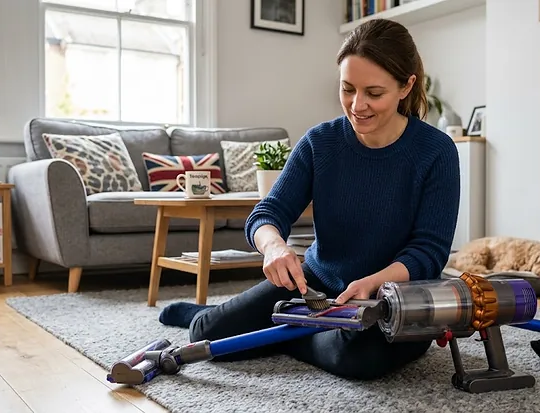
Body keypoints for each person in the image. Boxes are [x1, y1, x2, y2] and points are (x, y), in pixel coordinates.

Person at [159, 18, 461, 381]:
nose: (357, 105)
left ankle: (282, 333)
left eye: (373, 93)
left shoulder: (436, 151)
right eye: (347, 89)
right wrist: (273, 247)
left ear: (406, 86)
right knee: (204, 335)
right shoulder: (321, 142)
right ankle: (245, 319)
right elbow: (268, 212)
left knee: (359, 361)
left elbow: (429, 251)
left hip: (395, 298)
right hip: (314, 287)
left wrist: (374, 283)